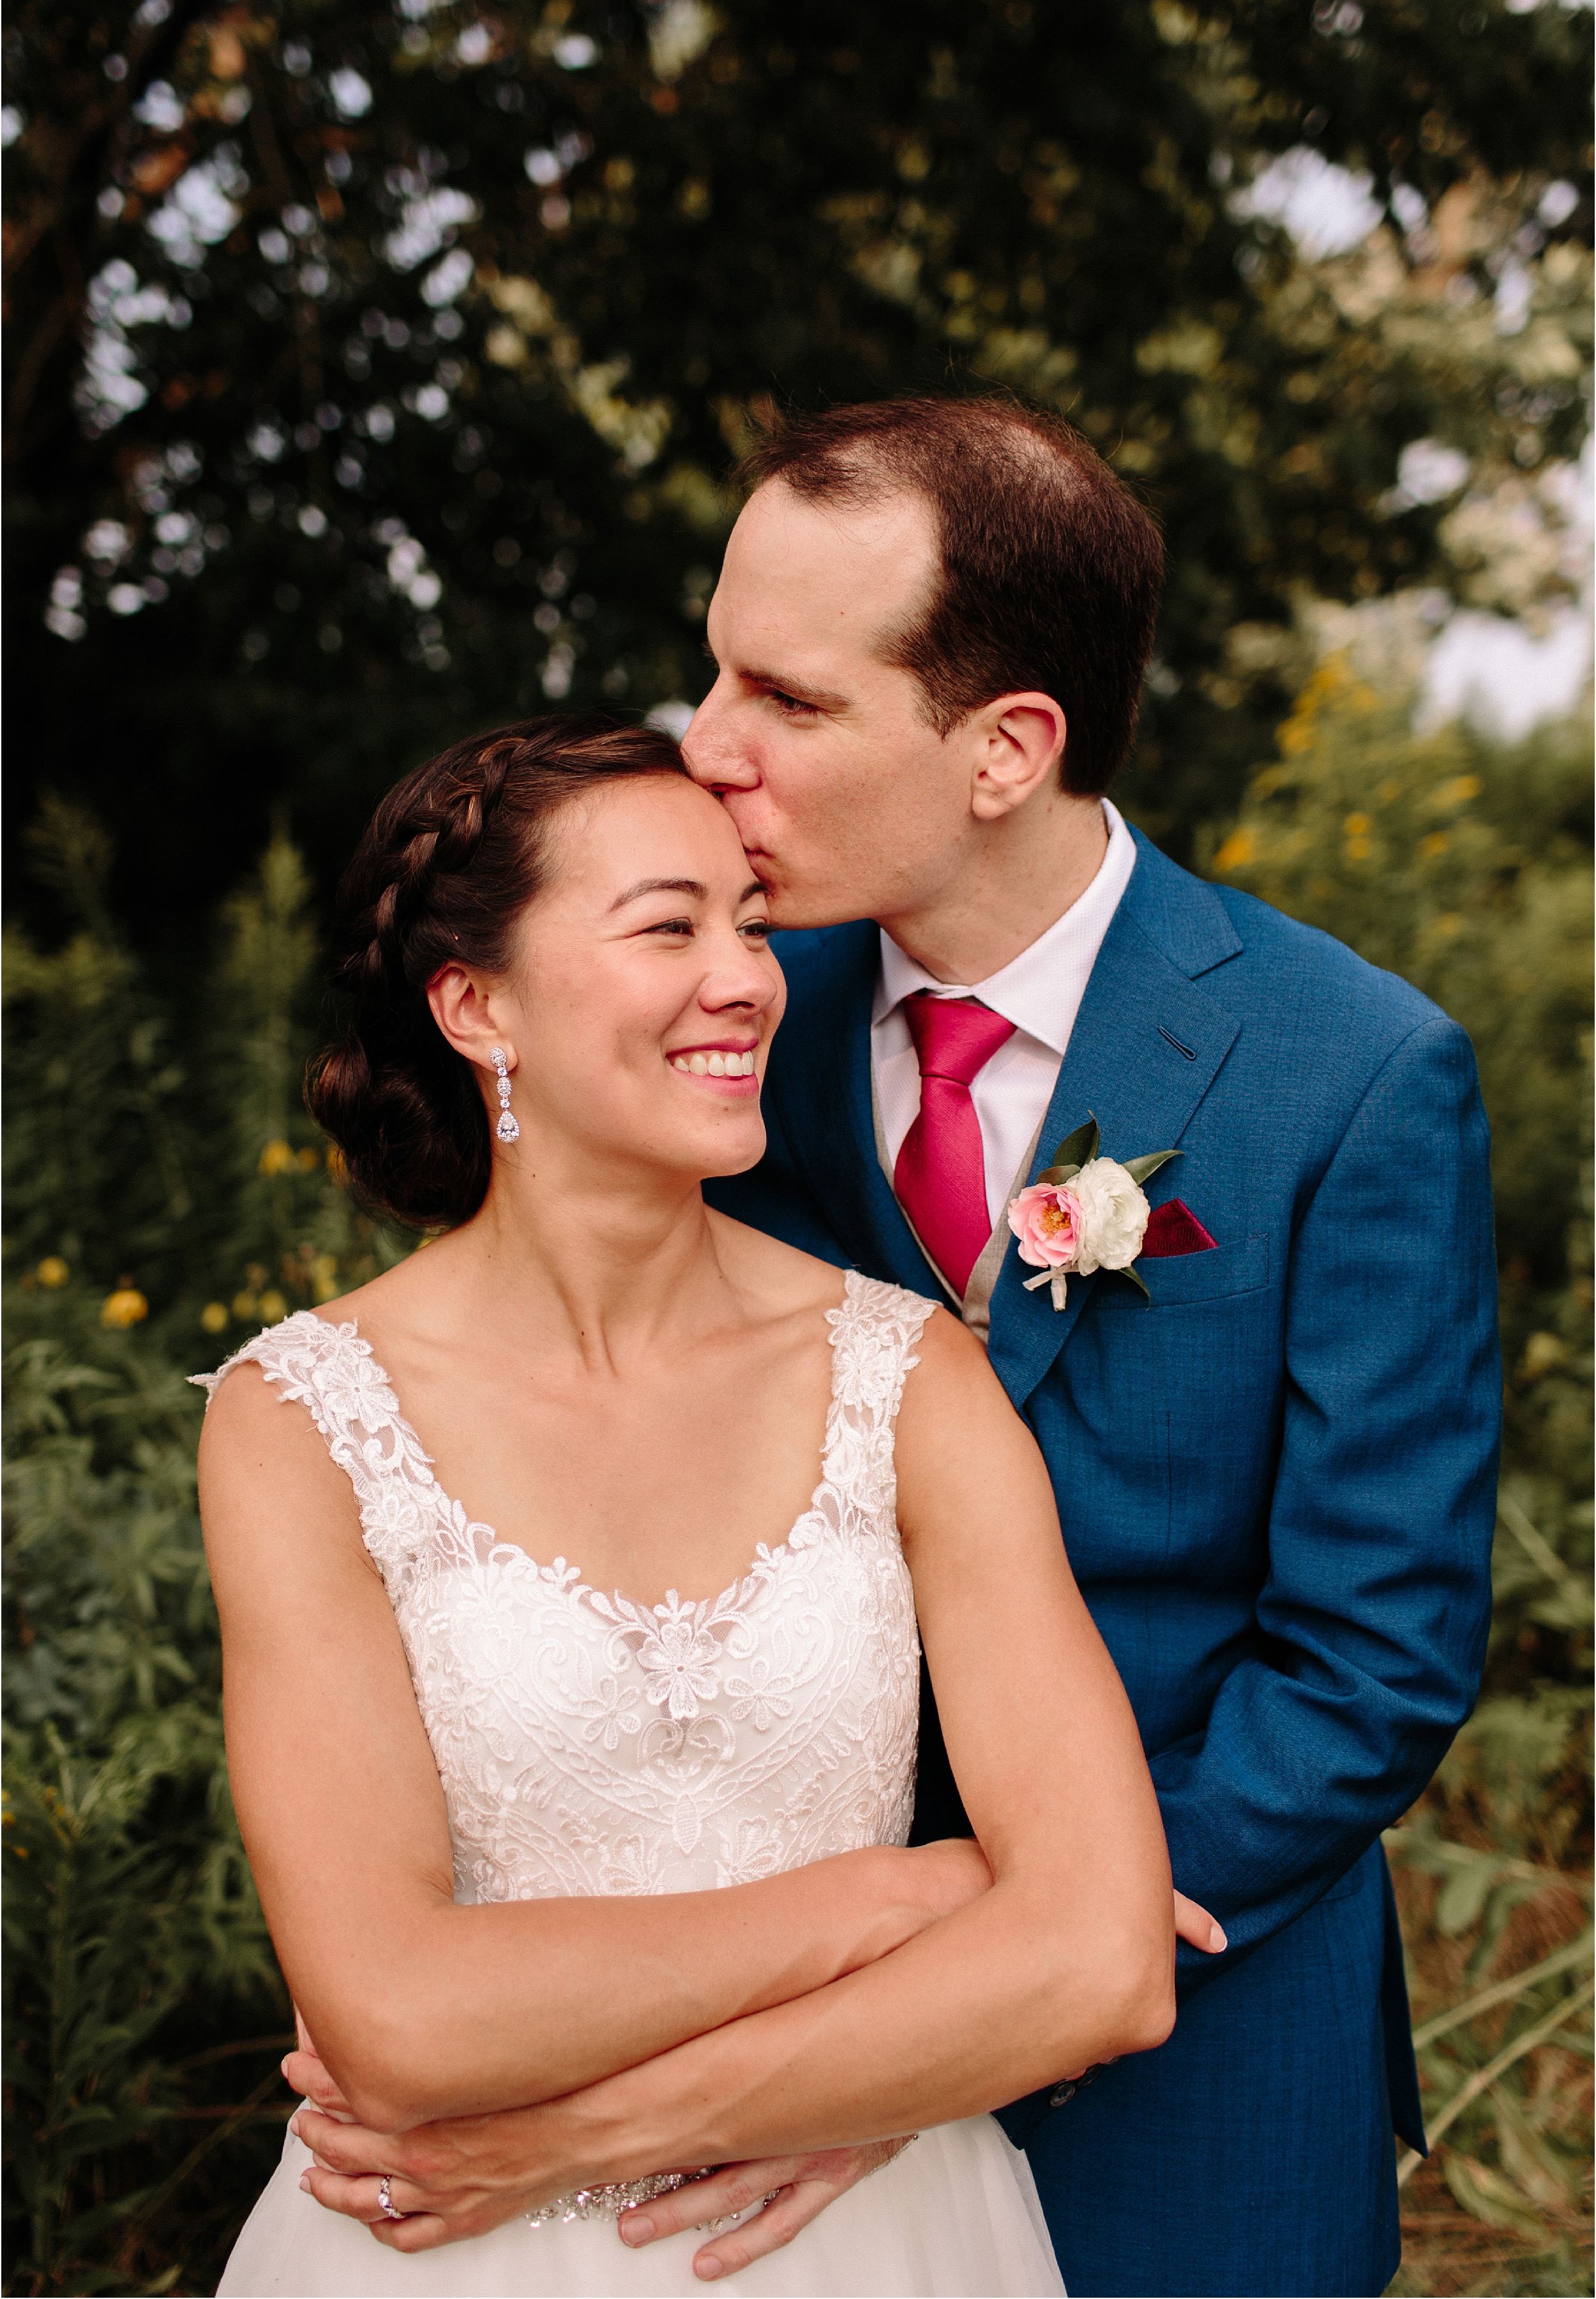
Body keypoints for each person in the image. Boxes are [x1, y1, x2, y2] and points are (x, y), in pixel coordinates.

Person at [282, 398, 1499, 2299]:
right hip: (701, 1995)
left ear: (1006, 746)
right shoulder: (704, 1019)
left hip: (1187, 2024)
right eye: (711, 664)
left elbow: (1370, 1657)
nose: (707, 742)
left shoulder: (1349, 1076)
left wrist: (953, 1997)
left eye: (791, 697)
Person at [197, 716, 1220, 2298]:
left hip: (876, 2239)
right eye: (666, 924)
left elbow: (1098, 1962)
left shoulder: (907, 1379)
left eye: (749, 920)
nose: (747, 975)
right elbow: (395, 2017)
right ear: (477, 1006)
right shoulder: (302, 1419)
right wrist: (913, 1889)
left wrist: (582, 2126)